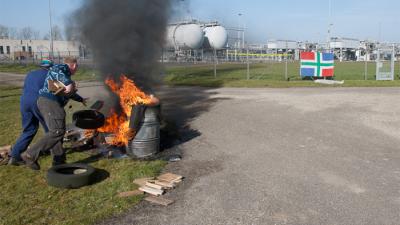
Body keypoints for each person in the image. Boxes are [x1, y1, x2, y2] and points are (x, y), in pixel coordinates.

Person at [21, 57, 87, 170]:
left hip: (47, 102)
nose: (76, 70)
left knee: (56, 132)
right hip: (50, 103)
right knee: (57, 131)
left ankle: (59, 161)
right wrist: (68, 83)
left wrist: (81, 99)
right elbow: (56, 70)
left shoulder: (61, 76)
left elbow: (63, 91)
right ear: (74, 66)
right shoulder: (61, 68)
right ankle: (30, 154)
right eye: (77, 68)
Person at [8, 59, 54, 166]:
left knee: (29, 129)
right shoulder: (50, 75)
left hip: (24, 102)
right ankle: (55, 152)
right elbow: (59, 90)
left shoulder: (30, 74)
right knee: (51, 129)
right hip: (38, 102)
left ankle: (15, 156)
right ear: (51, 67)